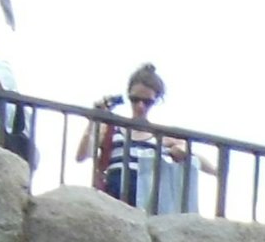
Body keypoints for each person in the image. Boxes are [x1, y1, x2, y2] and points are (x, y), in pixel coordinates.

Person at [76, 65, 195, 214]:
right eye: (135, 99)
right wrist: (94, 121)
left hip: (146, 204)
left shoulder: (162, 137)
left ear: (156, 100)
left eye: (147, 102)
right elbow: (82, 155)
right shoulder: (111, 130)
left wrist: (181, 151)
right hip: (113, 201)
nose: (140, 106)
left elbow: (191, 155)